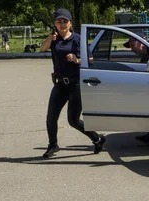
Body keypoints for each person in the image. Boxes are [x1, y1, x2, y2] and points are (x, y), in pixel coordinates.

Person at [39, 8, 106, 158]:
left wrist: (77, 60)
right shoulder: (54, 39)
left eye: (65, 21)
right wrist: (49, 39)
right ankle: (53, 145)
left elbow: (90, 59)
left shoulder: (77, 39)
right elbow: (42, 48)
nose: (62, 24)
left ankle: (98, 139)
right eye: (59, 21)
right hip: (60, 83)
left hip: (76, 84)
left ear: (70, 23)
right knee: (51, 117)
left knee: (73, 120)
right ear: (55, 23)